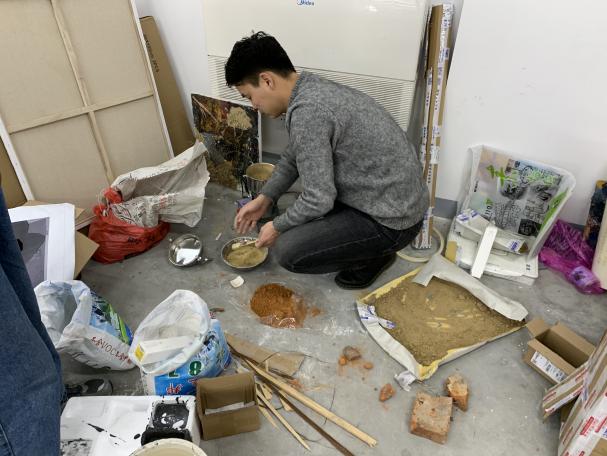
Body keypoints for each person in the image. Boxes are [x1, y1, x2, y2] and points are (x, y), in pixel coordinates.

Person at [229, 32, 429, 289]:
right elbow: (294, 155)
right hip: (393, 198)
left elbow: (318, 199)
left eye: (249, 96)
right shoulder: (309, 87)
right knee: (300, 220)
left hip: (393, 222)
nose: (254, 106)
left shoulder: (309, 112)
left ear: (267, 80)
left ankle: (374, 256)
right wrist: (265, 198)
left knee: (287, 250)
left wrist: (277, 227)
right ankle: (365, 242)